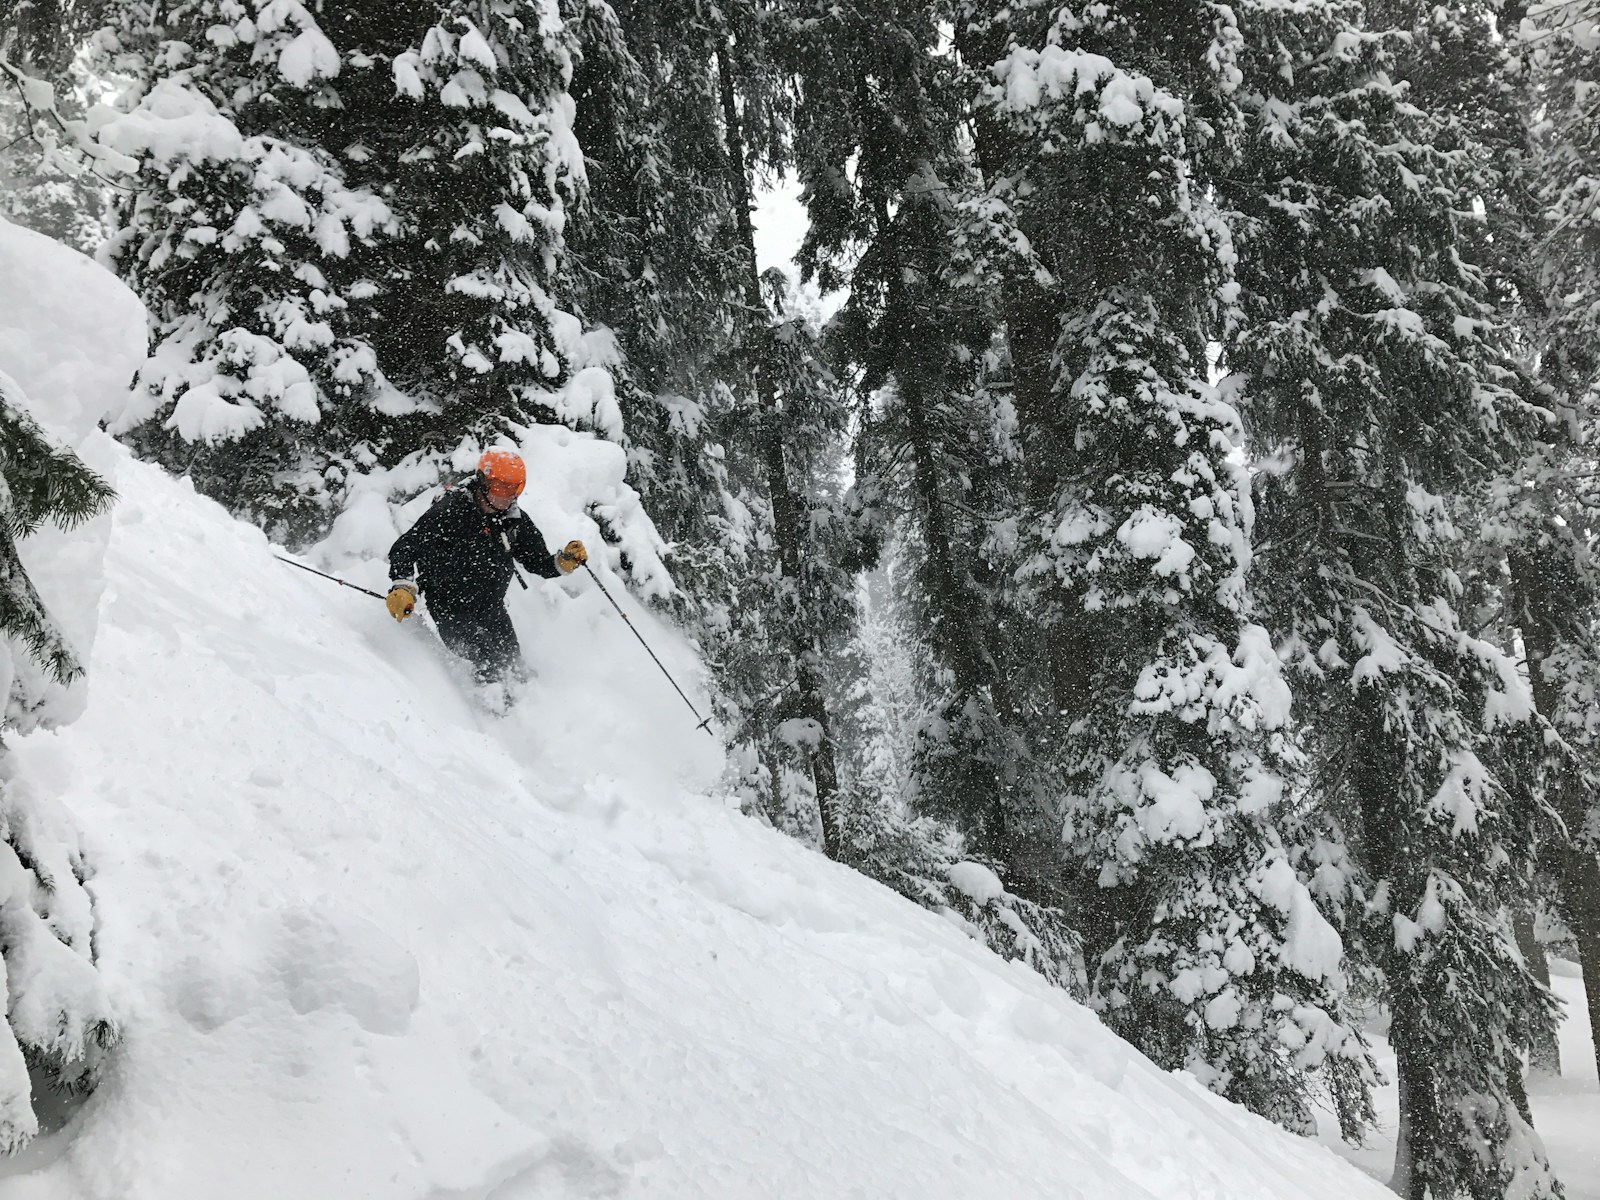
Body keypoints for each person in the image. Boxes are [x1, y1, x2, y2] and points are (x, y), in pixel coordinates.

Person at [385, 448, 587, 684]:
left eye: (514, 489)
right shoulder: (451, 512)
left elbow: (538, 562)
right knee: (487, 658)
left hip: (491, 608)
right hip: (450, 608)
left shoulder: (513, 520)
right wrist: (403, 585)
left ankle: (527, 707)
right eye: (501, 488)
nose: (507, 496)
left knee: (514, 665)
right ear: (483, 482)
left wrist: (563, 563)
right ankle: (489, 711)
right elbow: (406, 547)